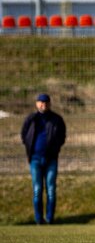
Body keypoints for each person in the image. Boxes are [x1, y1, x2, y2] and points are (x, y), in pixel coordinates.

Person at [20, 93, 66, 225]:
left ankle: (50, 218)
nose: (43, 105)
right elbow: (24, 134)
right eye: (41, 102)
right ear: (37, 104)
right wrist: (30, 147)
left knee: (51, 190)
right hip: (35, 159)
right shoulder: (31, 119)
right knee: (37, 189)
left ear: (49, 104)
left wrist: (55, 148)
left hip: (51, 159)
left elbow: (62, 136)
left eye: (46, 102)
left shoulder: (56, 119)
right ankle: (39, 219)